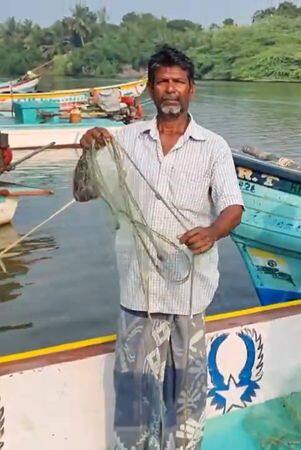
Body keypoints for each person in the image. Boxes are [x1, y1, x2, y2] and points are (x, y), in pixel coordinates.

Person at [73, 45, 244, 450]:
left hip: (189, 292)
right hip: (139, 290)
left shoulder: (212, 146)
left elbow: (233, 207)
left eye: (178, 82)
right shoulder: (125, 139)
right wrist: (87, 153)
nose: (171, 89)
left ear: (192, 90)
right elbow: (83, 193)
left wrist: (213, 232)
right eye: (163, 81)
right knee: (135, 398)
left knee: (186, 396)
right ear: (150, 89)